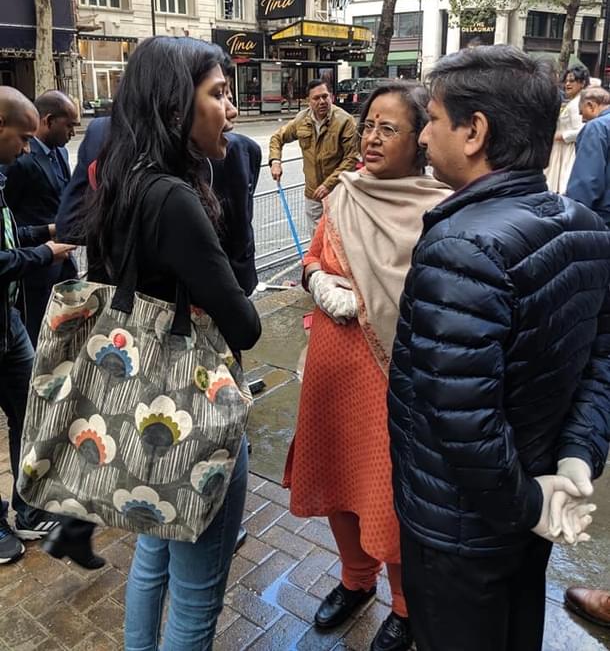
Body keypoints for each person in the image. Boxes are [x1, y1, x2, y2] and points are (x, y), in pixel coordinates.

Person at [388, 45, 610, 651]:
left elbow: (461, 418)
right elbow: (601, 363)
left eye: (432, 118)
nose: (425, 134)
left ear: (475, 131)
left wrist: (527, 500)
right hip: (531, 503)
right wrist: (574, 461)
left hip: (461, 525)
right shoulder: (586, 227)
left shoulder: (462, 246)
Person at [80, 37, 260, 650]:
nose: (229, 109)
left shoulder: (122, 179)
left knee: (152, 560)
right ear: (175, 105)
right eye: (217, 94)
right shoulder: (176, 197)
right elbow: (246, 326)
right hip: (195, 417)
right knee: (196, 595)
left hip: (142, 414)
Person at [284, 84, 450, 651]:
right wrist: (315, 279)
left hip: (390, 383)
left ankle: (405, 607)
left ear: (420, 140)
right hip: (331, 373)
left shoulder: (437, 210)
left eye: (389, 128)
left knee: (388, 497)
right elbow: (309, 257)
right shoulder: (342, 195)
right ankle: (356, 581)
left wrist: (369, 299)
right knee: (336, 479)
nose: (373, 138)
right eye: (370, 125)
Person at [0, 86, 75, 564]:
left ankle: (26, 509)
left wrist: (47, 232)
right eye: (22, 137)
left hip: (8, 326)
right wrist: (43, 253)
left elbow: (9, 231)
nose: (28, 148)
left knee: (28, 413)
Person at [2, 90, 78, 345]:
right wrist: (41, 251)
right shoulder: (17, 161)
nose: (72, 133)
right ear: (49, 120)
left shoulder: (61, 153)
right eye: (69, 125)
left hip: (58, 259)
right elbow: (9, 224)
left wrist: (53, 230)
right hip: (29, 271)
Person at [269, 78, 359, 235]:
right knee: (317, 239)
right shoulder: (301, 120)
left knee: (338, 239)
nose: (322, 101)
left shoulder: (345, 121)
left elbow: (351, 159)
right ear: (308, 101)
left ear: (331, 96)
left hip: (337, 192)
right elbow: (277, 137)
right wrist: (275, 161)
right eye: (316, 98)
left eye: (325, 96)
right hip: (313, 194)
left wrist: (328, 185)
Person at [565, 86, 610, 227]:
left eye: (581, 113)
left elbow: (587, 180)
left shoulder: (596, 127)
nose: (582, 119)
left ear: (591, 105)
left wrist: (573, 216)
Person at [545, 64, 589, 192]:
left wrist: (561, 136)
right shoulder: (573, 101)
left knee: (563, 183)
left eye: (572, 80)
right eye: (566, 81)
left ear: (582, 83)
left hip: (568, 151)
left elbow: (580, 130)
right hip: (560, 150)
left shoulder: (578, 103)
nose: (567, 84)